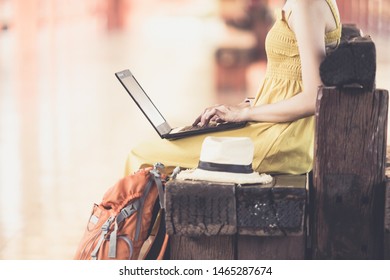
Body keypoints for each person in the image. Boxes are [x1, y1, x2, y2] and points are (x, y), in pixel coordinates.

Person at [124, 0, 342, 176]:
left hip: (280, 140)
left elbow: (314, 96)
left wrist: (246, 113)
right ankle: (147, 231)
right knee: (168, 145)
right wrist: (240, 108)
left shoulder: (306, 4)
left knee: (141, 155)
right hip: (273, 129)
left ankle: (128, 231)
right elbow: (292, 83)